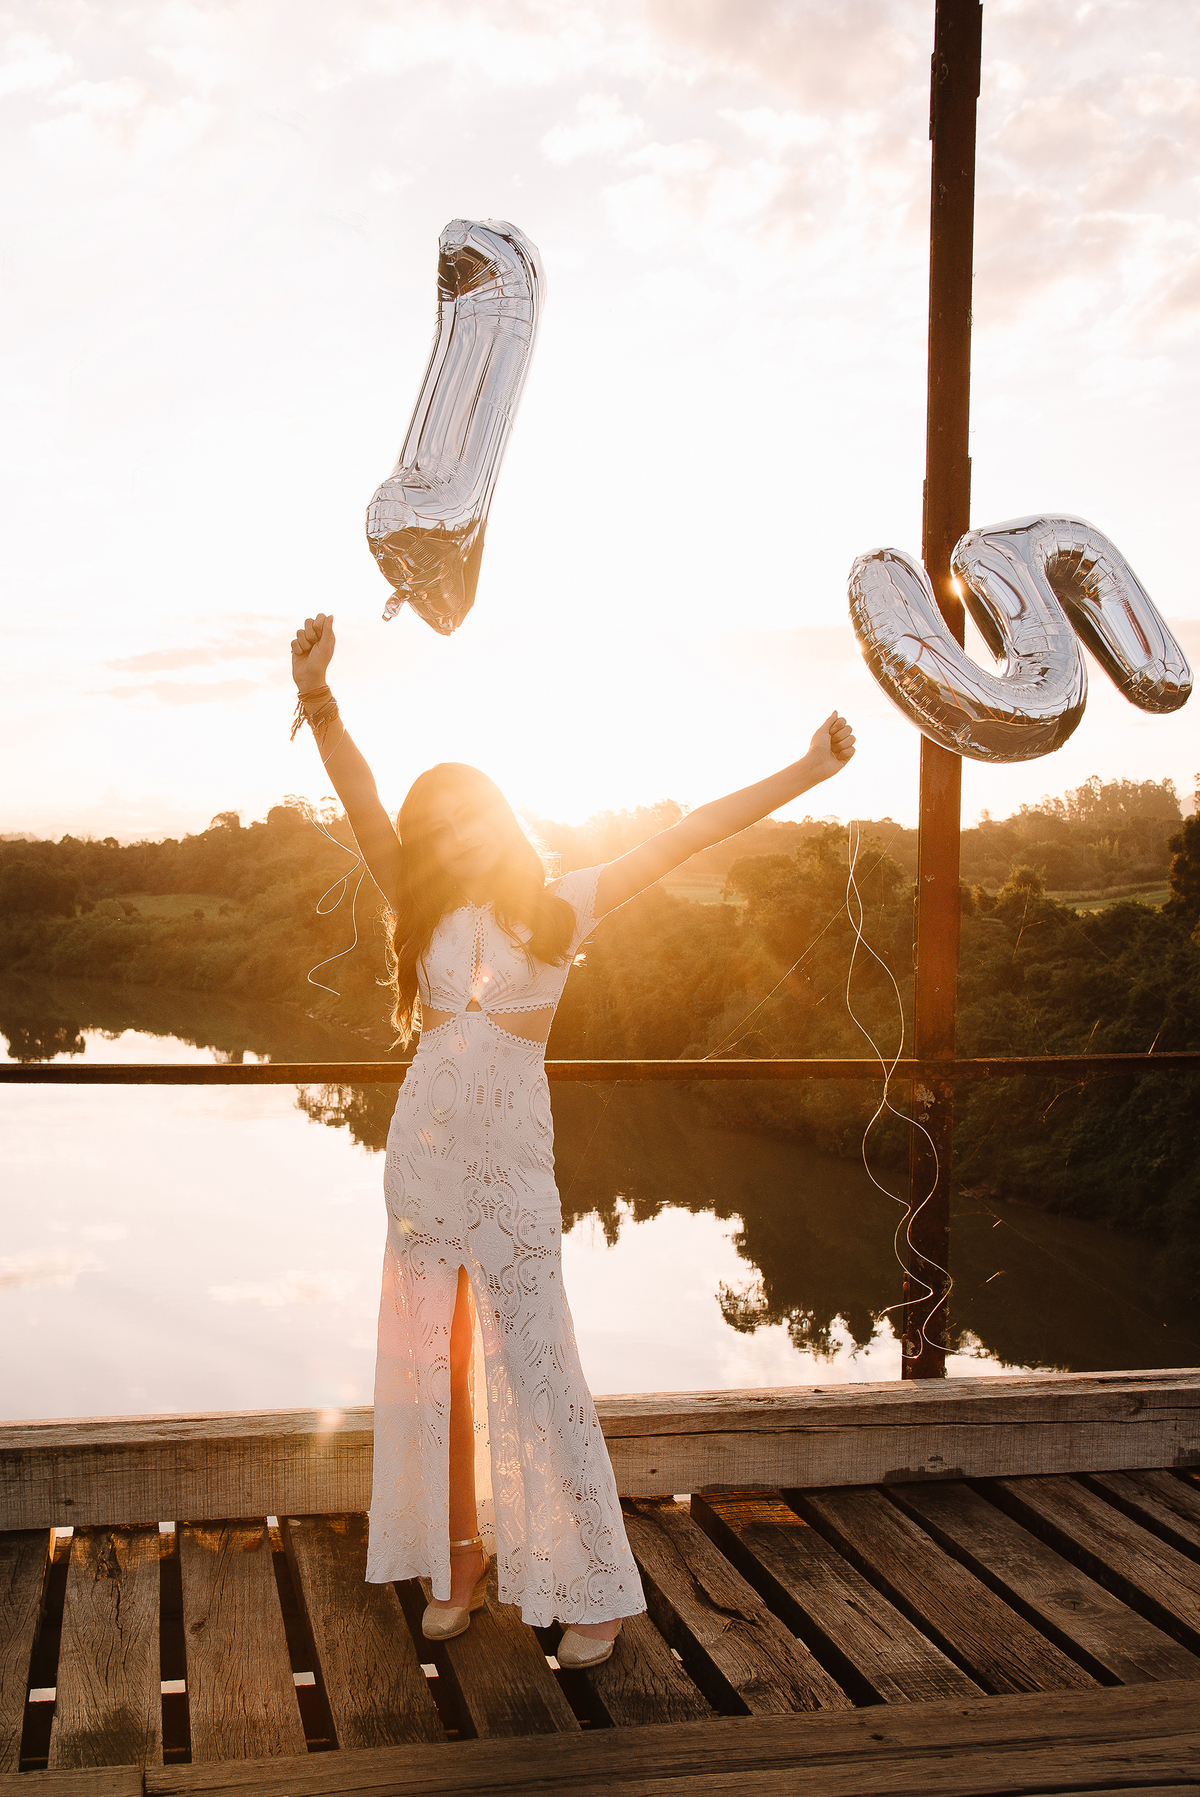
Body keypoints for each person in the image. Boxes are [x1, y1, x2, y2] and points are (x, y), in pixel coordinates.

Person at [290, 610, 856, 1668]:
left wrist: (807, 770)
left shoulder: (564, 906)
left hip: (510, 1169)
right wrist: (319, 694)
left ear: (498, 823)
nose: (449, 840)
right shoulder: (417, 908)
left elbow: (689, 834)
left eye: (466, 821)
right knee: (433, 1367)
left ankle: (593, 1591)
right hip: (420, 1160)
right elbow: (360, 794)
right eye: (435, 827)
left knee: (539, 1364)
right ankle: (456, 1564)